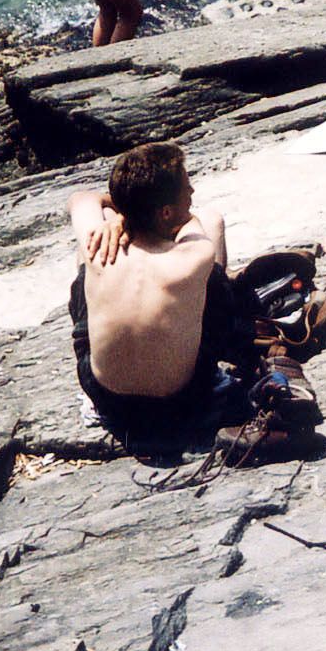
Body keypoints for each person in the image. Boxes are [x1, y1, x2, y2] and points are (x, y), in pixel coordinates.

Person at [65, 142, 243, 439]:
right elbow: (203, 221)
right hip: (181, 400)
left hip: (109, 398)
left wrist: (119, 216)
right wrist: (130, 216)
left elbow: (80, 199)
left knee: (93, 245)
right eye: (186, 188)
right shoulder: (195, 257)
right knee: (212, 247)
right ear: (165, 212)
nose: (192, 191)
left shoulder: (94, 245)